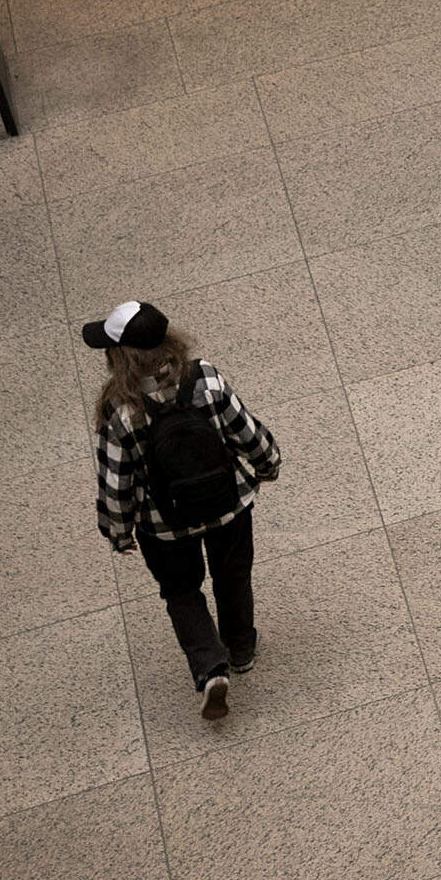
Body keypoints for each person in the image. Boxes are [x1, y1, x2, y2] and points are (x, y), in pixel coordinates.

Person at [87, 301, 280, 719]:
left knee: (181, 591)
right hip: (229, 507)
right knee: (232, 576)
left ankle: (211, 669)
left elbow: (116, 483)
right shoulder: (204, 378)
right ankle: (241, 648)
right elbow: (244, 430)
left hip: (164, 526)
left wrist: (118, 532)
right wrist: (267, 464)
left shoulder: (119, 410)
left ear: (119, 357)